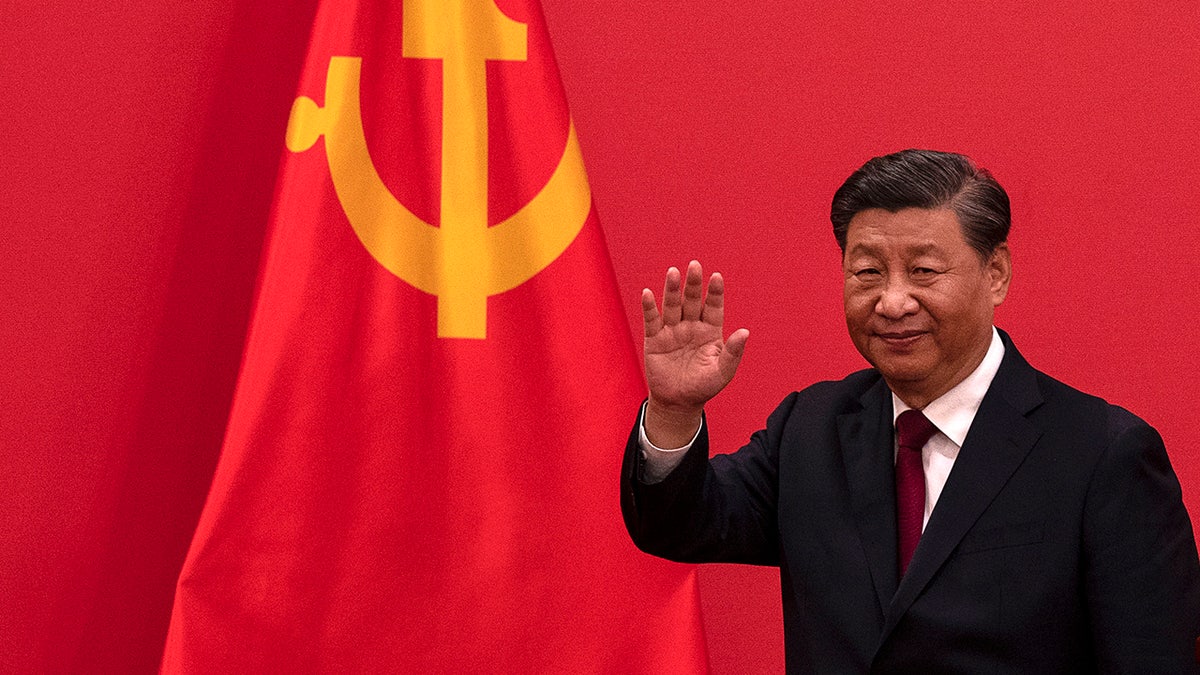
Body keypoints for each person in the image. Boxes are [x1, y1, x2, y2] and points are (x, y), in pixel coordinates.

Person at [620, 149, 1200, 672]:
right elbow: (681, 526)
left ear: (995, 273)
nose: (893, 301)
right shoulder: (811, 427)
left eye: (923, 271)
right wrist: (673, 410)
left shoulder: (1102, 452)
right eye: (867, 272)